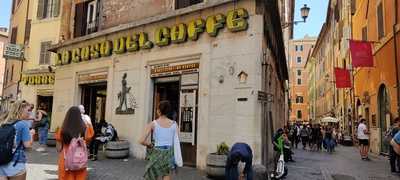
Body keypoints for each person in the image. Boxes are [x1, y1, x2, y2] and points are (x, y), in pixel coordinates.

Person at [140, 101, 179, 180]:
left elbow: (141, 140)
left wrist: (150, 145)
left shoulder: (153, 124)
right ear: (168, 112)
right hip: (169, 153)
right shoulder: (174, 124)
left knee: (154, 174)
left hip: (157, 152)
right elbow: (177, 140)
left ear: (158, 111)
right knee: (166, 174)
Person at [56, 106, 94, 180]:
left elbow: (59, 148)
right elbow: (88, 145)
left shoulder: (61, 129)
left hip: (66, 161)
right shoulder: (86, 128)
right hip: (80, 160)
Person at [0, 100, 35, 180]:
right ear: (21, 110)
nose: (29, 113)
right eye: (28, 110)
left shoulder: (3, 122)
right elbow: (28, 146)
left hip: (1, 162)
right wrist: (32, 134)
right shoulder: (23, 124)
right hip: (16, 163)